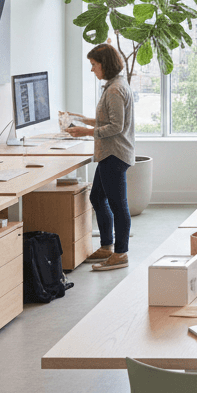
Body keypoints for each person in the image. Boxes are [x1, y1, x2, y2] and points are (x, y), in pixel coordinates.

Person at [64, 43, 136, 271]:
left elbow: (116, 126)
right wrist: (84, 120)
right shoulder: (115, 85)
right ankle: (107, 246)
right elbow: (110, 120)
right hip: (109, 154)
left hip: (114, 154)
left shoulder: (114, 90)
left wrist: (86, 132)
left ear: (105, 64)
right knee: (97, 198)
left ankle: (120, 254)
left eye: (94, 65)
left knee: (118, 206)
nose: (92, 69)